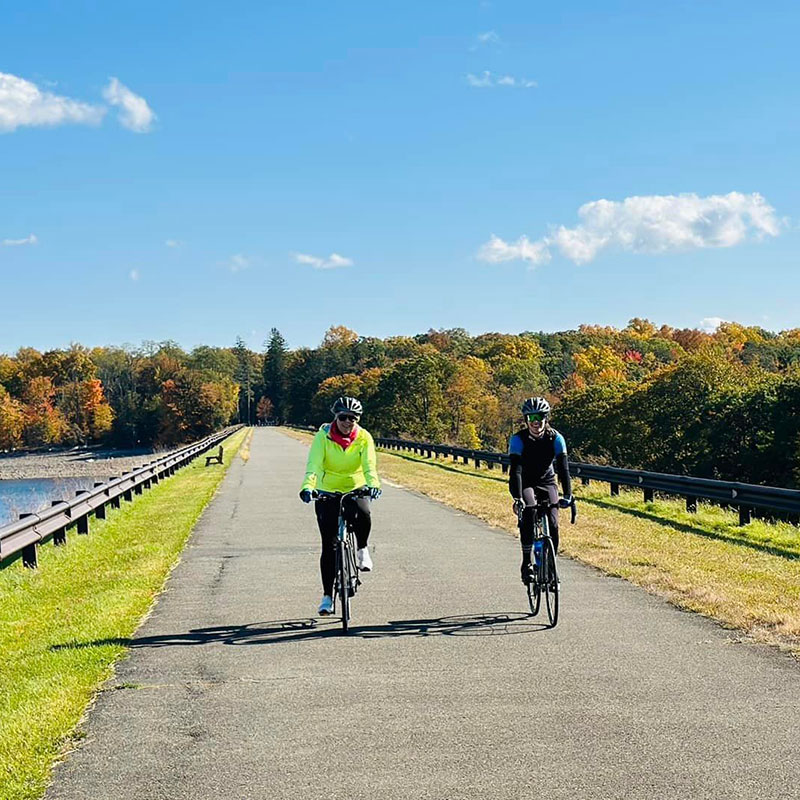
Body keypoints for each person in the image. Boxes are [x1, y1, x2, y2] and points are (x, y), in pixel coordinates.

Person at [299, 396, 382, 615]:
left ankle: (362, 548)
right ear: (335, 417)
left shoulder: (364, 438)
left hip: (356, 486)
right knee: (329, 545)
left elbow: (369, 466)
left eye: (352, 418)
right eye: (343, 417)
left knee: (364, 512)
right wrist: (308, 486)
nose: (347, 422)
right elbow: (314, 464)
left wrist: (373, 484)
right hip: (328, 490)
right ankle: (327, 596)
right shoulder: (323, 437)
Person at [508, 397, 573, 584]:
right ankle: (527, 562)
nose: (536, 421)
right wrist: (518, 497)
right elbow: (516, 471)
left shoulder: (556, 438)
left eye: (540, 417)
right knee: (529, 510)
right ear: (526, 419)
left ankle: (551, 567)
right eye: (531, 417)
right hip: (525, 481)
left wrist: (567, 495)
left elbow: (563, 468)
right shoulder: (518, 439)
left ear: (546, 418)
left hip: (547, 481)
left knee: (553, 523)